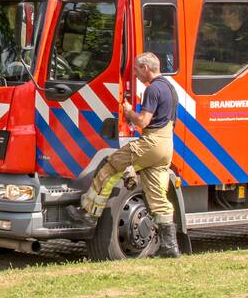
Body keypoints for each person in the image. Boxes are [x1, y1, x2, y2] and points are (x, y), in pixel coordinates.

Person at [67, 52, 180, 258]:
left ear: (146, 68)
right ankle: (169, 247)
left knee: (110, 167)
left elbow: (144, 121)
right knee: (157, 197)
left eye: (137, 70)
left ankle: (88, 214)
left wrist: (129, 113)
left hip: (151, 143)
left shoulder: (153, 89)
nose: (135, 74)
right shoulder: (170, 88)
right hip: (166, 145)